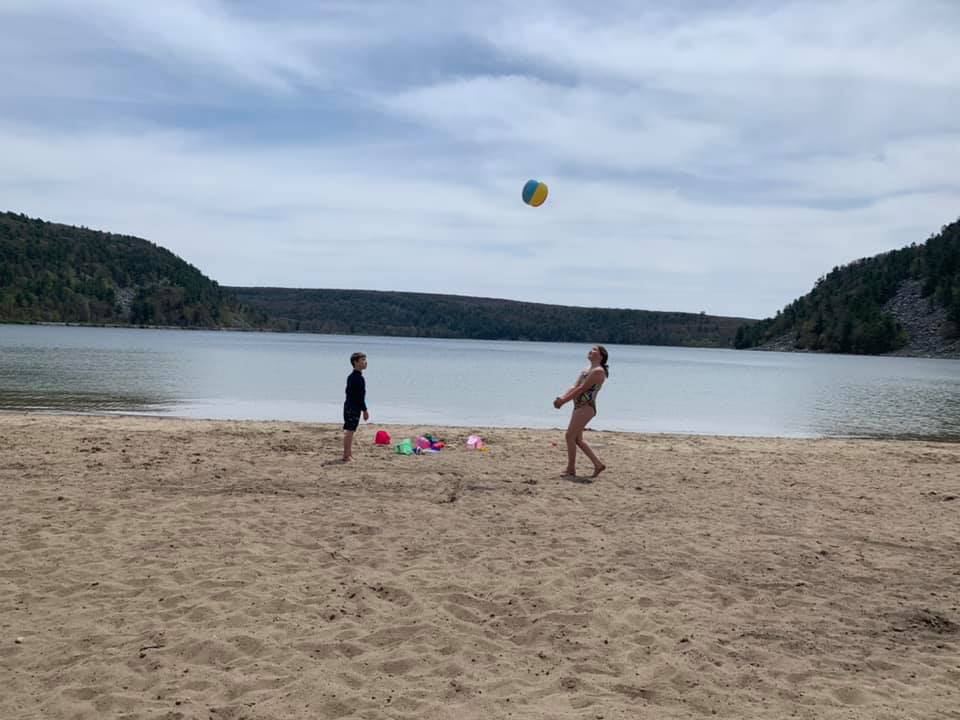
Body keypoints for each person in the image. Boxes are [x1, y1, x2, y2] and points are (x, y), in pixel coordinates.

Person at [554, 345, 609, 477]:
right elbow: (574, 386)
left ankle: (571, 469)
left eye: (594, 350)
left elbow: (582, 389)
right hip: (579, 406)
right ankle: (598, 465)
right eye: (591, 349)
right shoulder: (586, 369)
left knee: (569, 436)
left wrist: (563, 401)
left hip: (587, 407)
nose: (591, 351)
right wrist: (562, 397)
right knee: (578, 440)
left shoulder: (598, 371)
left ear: (601, 356)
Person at [342, 352, 369, 461]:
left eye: (365, 359)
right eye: (362, 360)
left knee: (350, 430)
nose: (365, 362)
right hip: (352, 407)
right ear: (355, 362)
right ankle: (346, 455)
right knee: (350, 431)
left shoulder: (354, 377)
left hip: (350, 406)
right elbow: (359, 397)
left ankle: (348, 453)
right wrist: (365, 410)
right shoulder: (356, 378)